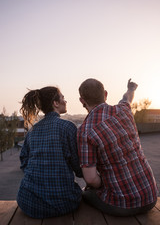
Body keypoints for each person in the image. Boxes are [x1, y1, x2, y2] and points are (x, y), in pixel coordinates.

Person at [77, 78, 158, 216]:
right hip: (150, 197)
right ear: (106, 94)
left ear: (82, 100)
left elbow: (91, 179)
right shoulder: (124, 109)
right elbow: (127, 97)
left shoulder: (85, 131)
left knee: (85, 193)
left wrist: (105, 182)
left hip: (121, 205)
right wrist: (131, 88)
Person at [17, 86, 82, 219]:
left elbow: (23, 160)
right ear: (55, 103)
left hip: (27, 202)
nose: (66, 101)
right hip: (63, 203)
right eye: (63, 98)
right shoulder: (68, 127)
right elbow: (79, 169)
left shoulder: (32, 131)